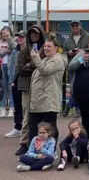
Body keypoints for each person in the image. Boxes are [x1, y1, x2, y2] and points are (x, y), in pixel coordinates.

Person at [28, 34, 67, 148]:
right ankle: (34, 149)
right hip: (37, 100)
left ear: (56, 48)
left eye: (49, 46)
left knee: (50, 126)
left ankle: (51, 150)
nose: (46, 48)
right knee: (34, 126)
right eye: (45, 46)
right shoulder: (44, 59)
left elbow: (45, 71)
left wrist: (35, 58)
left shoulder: (58, 60)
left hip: (49, 99)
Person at [15, 25, 46, 156]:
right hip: (27, 86)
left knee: (41, 114)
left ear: (41, 35)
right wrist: (34, 64)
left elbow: (44, 66)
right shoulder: (23, 50)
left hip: (41, 85)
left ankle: (43, 143)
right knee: (27, 114)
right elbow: (21, 68)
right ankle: (24, 143)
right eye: (31, 33)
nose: (34, 35)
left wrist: (31, 64)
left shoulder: (45, 49)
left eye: (36, 33)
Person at [62, 20, 89, 117]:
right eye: (73, 26)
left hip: (84, 65)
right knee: (73, 89)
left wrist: (83, 51)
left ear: (80, 26)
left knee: (80, 88)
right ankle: (76, 109)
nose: (75, 27)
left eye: (76, 25)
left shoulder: (88, 37)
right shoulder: (67, 40)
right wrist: (69, 53)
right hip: (72, 66)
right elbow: (63, 53)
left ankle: (69, 107)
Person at [5, 30, 27, 138]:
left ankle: (29, 127)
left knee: (28, 105)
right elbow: (10, 65)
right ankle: (18, 127)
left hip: (27, 81)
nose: (20, 39)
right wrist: (11, 81)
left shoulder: (31, 50)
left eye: (22, 37)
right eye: (18, 37)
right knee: (17, 106)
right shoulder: (15, 50)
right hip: (16, 81)